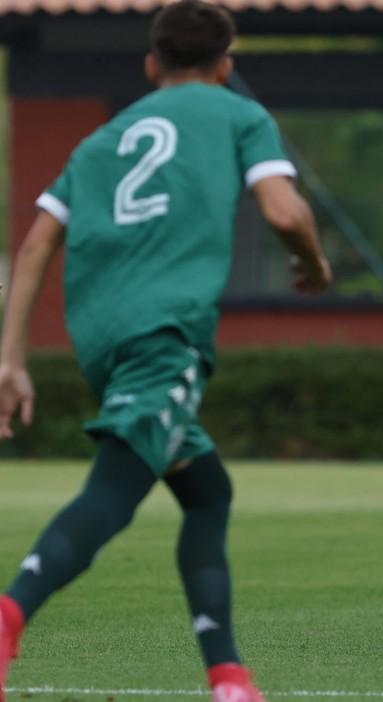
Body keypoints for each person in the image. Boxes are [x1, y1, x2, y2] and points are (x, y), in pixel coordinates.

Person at [0, 2, 332, 699]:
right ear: (226, 64)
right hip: (165, 333)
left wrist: (12, 359)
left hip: (101, 342)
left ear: (151, 65)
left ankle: (229, 677)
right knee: (115, 490)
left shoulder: (99, 142)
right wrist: (312, 262)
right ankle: (9, 613)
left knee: (207, 490)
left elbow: (33, 245)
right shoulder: (238, 114)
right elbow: (283, 209)